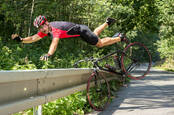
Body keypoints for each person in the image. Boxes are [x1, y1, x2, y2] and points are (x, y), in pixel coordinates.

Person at [11, 15, 126, 61]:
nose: (41, 30)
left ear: (46, 23)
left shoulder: (55, 29)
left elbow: (54, 43)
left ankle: (119, 38)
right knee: (95, 35)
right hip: (82, 30)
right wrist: (21, 40)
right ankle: (107, 22)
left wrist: (49, 54)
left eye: (42, 27)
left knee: (99, 43)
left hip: (82, 31)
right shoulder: (48, 29)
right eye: (39, 28)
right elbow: (33, 38)